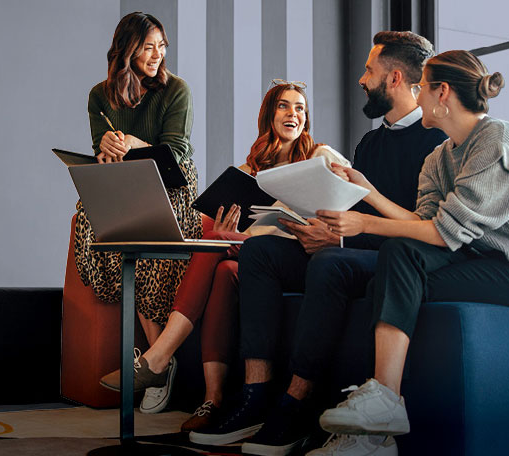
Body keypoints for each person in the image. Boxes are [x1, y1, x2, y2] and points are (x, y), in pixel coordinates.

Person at [311, 50, 509, 456]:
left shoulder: (498, 141)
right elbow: (420, 223)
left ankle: (383, 405)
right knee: (393, 265)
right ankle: (375, 433)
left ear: (443, 93)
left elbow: (442, 232)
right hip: (485, 261)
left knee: (397, 266)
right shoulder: (440, 157)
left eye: (423, 89)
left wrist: (365, 223)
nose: (416, 97)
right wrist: (364, 188)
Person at [189, 32, 447, 456]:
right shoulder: (370, 143)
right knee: (260, 253)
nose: (362, 80)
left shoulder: (435, 142)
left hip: (396, 258)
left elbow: (418, 229)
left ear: (395, 78)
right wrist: (316, 228)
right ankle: (255, 397)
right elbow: (344, 205)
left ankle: (296, 403)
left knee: (329, 262)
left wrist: (339, 238)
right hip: (350, 245)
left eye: (369, 71)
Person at [99, 80, 350, 423]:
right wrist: (227, 235)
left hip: (305, 255)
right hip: (256, 258)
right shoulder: (248, 173)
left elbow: (350, 203)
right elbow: (245, 234)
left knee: (219, 251)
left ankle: (159, 358)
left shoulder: (320, 156)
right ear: (268, 116)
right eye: (284, 106)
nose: (293, 113)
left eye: (300, 108)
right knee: (220, 264)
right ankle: (212, 399)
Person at [72, 11, 202, 405]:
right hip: (126, 182)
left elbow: (177, 154)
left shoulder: (176, 89)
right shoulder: (100, 95)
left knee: (144, 241)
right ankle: (157, 362)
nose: (157, 54)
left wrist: (131, 142)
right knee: (91, 222)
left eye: (161, 46)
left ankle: (154, 365)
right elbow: (101, 149)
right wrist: (106, 150)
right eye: (148, 47)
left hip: (172, 183)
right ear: (127, 49)